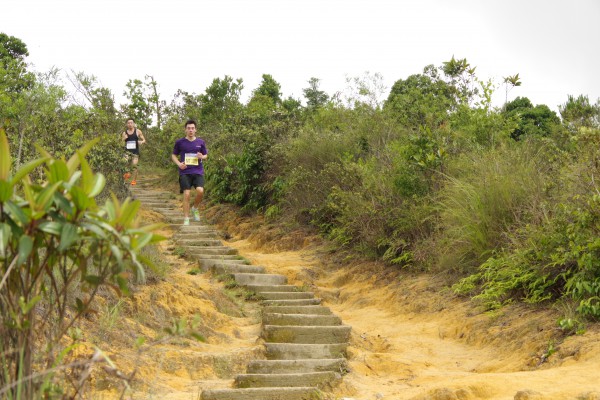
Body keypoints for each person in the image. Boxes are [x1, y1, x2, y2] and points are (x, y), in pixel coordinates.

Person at [171, 119, 208, 226]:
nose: (190, 130)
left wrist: (202, 156)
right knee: (187, 194)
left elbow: (205, 155)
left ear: (195, 130)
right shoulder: (180, 142)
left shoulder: (200, 142)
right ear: (185, 130)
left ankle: (195, 208)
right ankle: (186, 218)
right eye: (188, 128)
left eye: (192, 128)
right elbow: (173, 155)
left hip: (198, 171)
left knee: (200, 191)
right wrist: (179, 164)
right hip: (185, 172)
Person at [122, 118, 146, 186]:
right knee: (124, 163)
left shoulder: (137, 131)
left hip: (135, 152)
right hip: (127, 152)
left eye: (131, 123)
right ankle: (126, 175)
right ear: (126, 124)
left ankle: (134, 180)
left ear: (134, 124)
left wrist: (141, 142)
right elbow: (121, 143)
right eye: (128, 123)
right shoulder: (124, 133)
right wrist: (123, 138)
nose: (130, 124)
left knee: (134, 166)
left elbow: (144, 140)